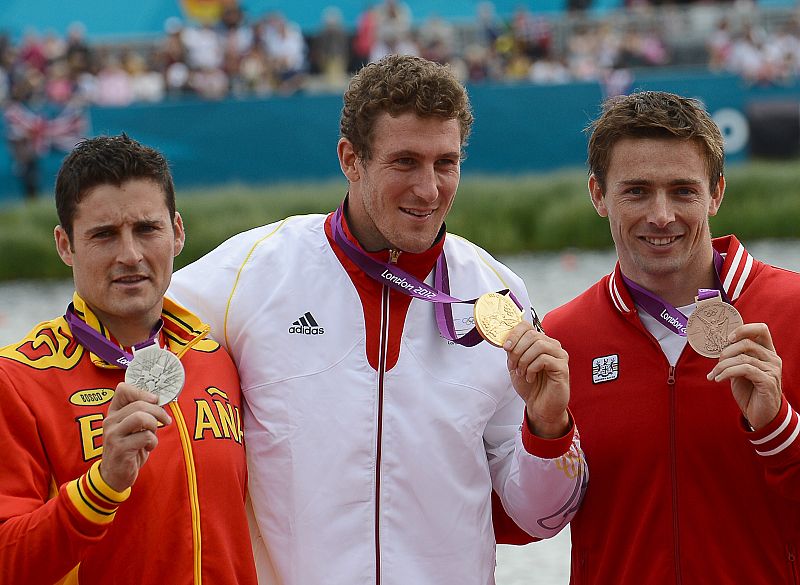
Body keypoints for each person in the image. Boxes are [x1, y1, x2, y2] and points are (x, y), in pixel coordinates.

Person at [169, 54, 587, 584]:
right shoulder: (251, 271)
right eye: (405, 161)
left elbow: (538, 517)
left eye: (445, 163)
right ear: (351, 159)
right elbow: (118, 342)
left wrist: (548, 427)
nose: (429, 189)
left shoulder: (497, 292)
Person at [543, 90, 800, 584]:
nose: (661, 215)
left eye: (683, 190)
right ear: (597, 194)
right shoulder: (562, 339)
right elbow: (528, 522)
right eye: (636, 191)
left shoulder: (793, 312)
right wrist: (545, 434)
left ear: (716, 193)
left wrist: (777, 428)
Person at [0, 134, 258, 584]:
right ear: (65, 245)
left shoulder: (217, 355)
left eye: (146, 229)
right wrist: (102, 486)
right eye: (103, 235)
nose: (130, 255)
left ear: (177, 231)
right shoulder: (17, 381)